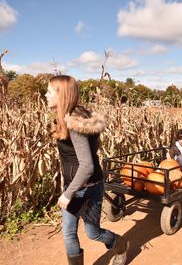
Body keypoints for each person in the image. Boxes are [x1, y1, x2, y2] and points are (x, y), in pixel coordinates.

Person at [46, 75, 129, 265]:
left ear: (62, 95)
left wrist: (68, 194)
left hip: (87, 187)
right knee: (68, 232)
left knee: (93, 233)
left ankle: (121, 244)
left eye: (50, 91)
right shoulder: (68, 117)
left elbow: (87, 166)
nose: (46, 94)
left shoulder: (75, 123)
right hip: (75, 185)